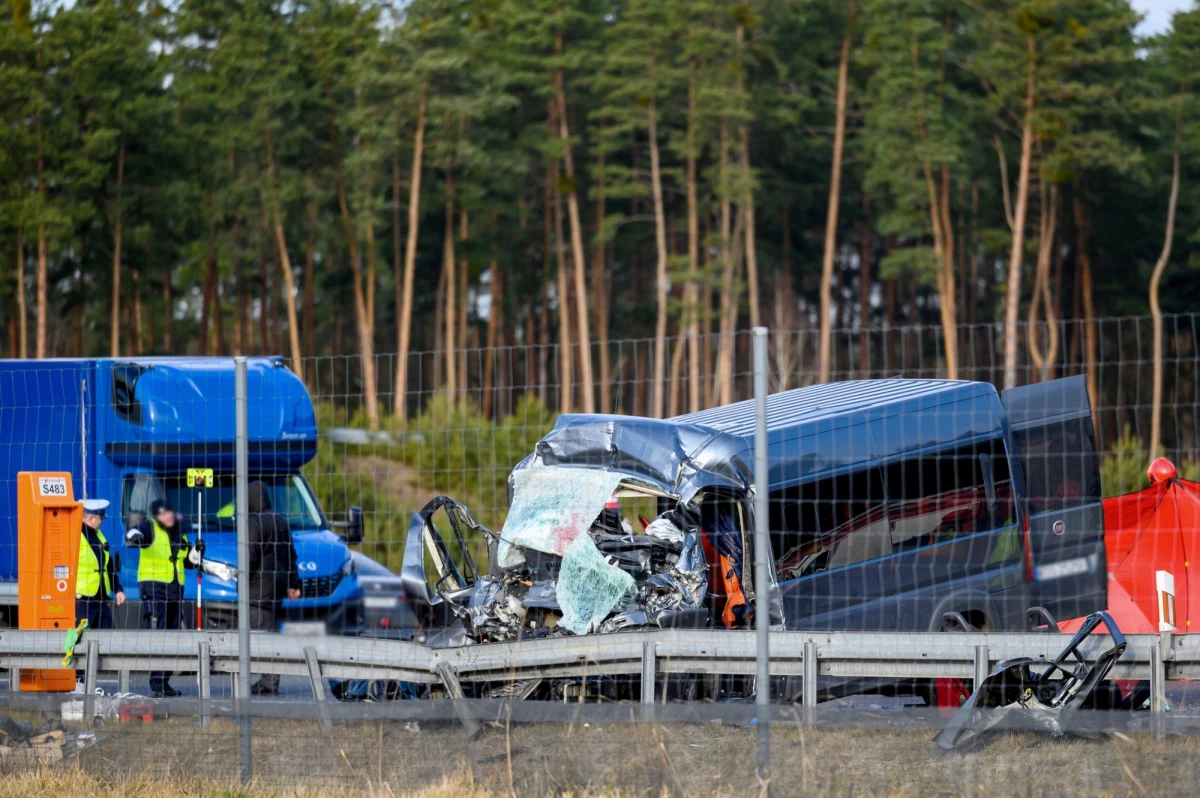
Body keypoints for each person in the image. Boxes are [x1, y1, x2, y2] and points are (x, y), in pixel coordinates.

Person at [126, 499, 204, 698]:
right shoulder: (150, 528)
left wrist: (198, 549)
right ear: (156, 516)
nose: (167, 517)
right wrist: (134, 536)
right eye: (162, 514)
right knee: (158, 635)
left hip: (175, 591)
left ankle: (165, 680)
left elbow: (190, 562)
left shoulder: (180, 533)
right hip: (154, 590)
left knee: (173, 637)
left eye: (168, 513)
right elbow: (134, 534)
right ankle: (157, 682)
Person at [246, 481, 301, 695]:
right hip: (277, 588)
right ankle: (270, 679)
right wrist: (293, 584)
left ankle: (268, 681)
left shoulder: (254, 522)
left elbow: (250, 555)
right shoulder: (281, 521)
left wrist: (243, 581)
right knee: (271, 633)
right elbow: (290, 556)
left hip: (259, 589)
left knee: (261, 634)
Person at [76, 499, 124, 682]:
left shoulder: (100, 536)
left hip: (100, 598)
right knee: (80, 641)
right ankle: (78, 682)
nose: (103, 521)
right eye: (100, 518)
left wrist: (117, 589)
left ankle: (91, 679)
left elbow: (108, 567)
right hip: (83, 599)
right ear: (90, 517)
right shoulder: (76, 536)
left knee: (108, 637)